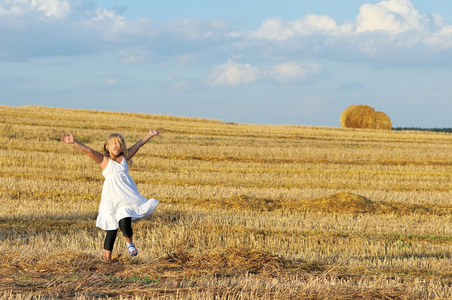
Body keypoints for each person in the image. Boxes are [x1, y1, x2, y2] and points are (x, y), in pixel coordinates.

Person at [61, 129, 161, 261]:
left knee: (125, 220)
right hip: (111, 201)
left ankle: (129, 243)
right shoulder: (104, 160)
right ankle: (107, 260)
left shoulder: (124, 158)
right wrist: (74, 142)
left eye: (120, 144)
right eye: (114, 143)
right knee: (111, 229)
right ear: (107, 146)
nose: (117, 146)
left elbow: (138, 145)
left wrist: (150, 135)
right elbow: (89, 151)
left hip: (127, 198)